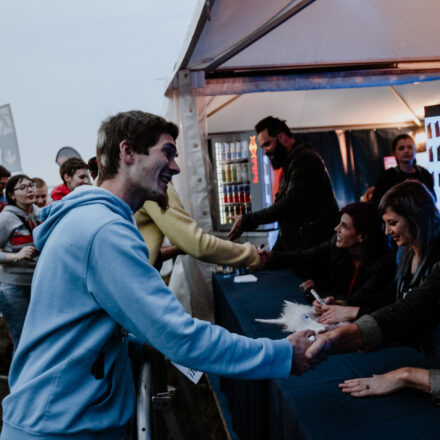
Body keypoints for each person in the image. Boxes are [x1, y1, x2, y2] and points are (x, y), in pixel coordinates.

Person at [0, 111, 318, 440]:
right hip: (60, 427)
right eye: (167, 152)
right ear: (127, 153)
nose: (176, 166)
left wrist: (136, 342)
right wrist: (279, 355)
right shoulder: (104, 230)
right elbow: (180, 337)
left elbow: (82, 323)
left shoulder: (93, 220)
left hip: (58, 417)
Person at [306, 181, 440, 403]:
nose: (387, 231)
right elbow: (393, 300)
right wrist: (346, 307)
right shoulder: (405, 253)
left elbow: (411, 310)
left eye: (393, 223)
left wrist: (350, 331)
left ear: (416, 218)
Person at [265, 202, 395, 323]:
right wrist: (269, 257)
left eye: (344, 226)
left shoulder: (384, 264)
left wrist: (314, 293)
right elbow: (304, 256)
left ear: (362, 236)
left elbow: (356, 300)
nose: (336, 228)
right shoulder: (337, 245)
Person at [228, 116, 339, 251]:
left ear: (282, 137)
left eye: (267, 144)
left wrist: (248, 220)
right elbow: (288, 214)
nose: (265, 152)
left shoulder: (303, 159)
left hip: (314, 253)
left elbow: (289, 204)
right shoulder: (292, 162)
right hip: (305, 250)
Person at [0, 175, 40, 351]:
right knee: (23, 340)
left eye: (31, 185)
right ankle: (19, 379)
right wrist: (16, 256)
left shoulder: (38, 213)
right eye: (23, 187)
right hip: (14, 288)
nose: (30, 189)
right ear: (11, 194)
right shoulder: (6, 218)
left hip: (38, 284)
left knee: (39, 336)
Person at [372, 133, 435, 205]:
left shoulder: (424, 174)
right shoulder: (386, 177)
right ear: (394, 152)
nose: (406, 151)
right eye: (401, 148)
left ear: (415, 149)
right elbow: (377, 203)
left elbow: (432, 200)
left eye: (410, 147)